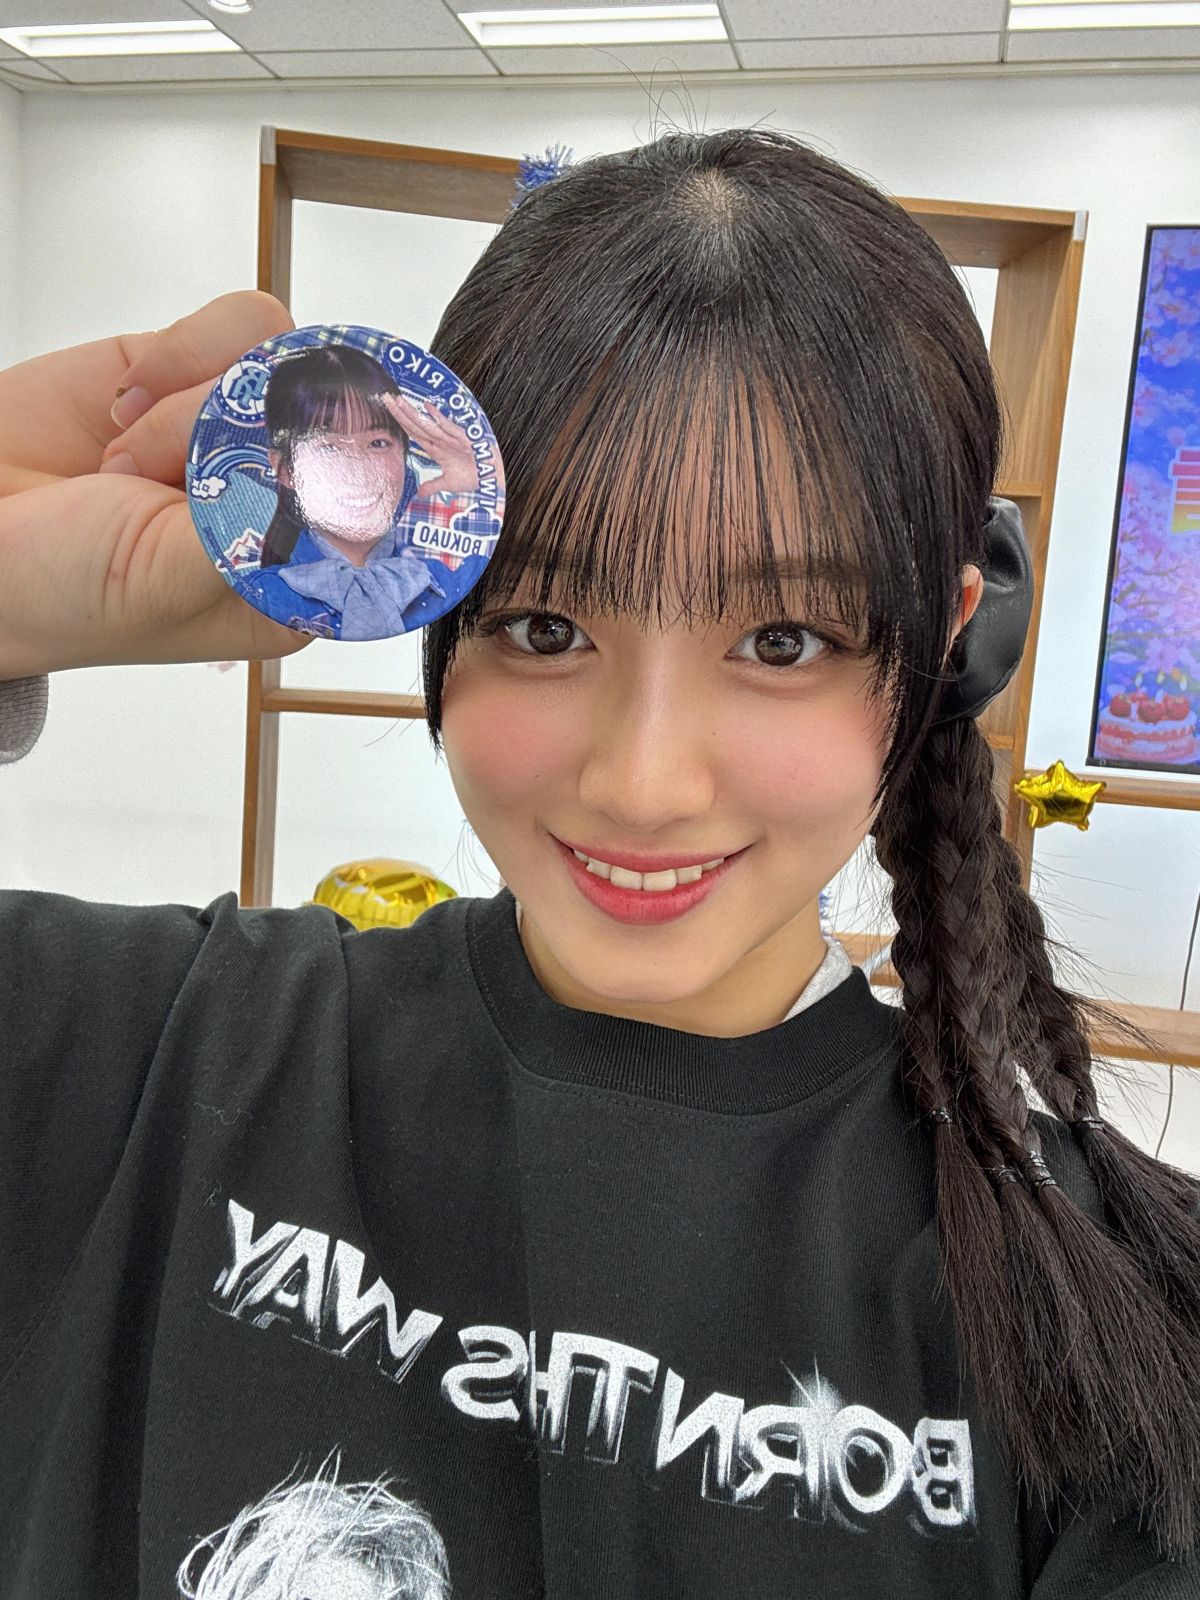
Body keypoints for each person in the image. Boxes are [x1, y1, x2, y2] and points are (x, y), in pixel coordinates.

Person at [0, 129, 1198, 1599]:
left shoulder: (1119, 1326)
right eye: (546, 627)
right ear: (436, 608)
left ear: (947, 637)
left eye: (783, 641)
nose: (642, 780)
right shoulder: (136, 1059)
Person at [229, 341, 492, 642]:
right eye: (329, 448)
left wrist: (481, 486)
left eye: (378, 443)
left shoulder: (458, 578)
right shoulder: (259, 597)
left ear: (404, 454)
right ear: (286, 469)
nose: (358, 470)